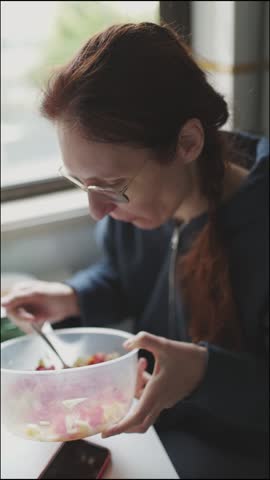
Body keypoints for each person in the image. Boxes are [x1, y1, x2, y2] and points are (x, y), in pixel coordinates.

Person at [1, 23, 269, 478]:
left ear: (187, 143)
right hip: (158, 426)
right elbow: (125, 279)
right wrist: (74, 297)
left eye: (110, 187)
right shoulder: (140, 216)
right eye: (79, 183)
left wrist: (206, 373)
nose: (96, 211)